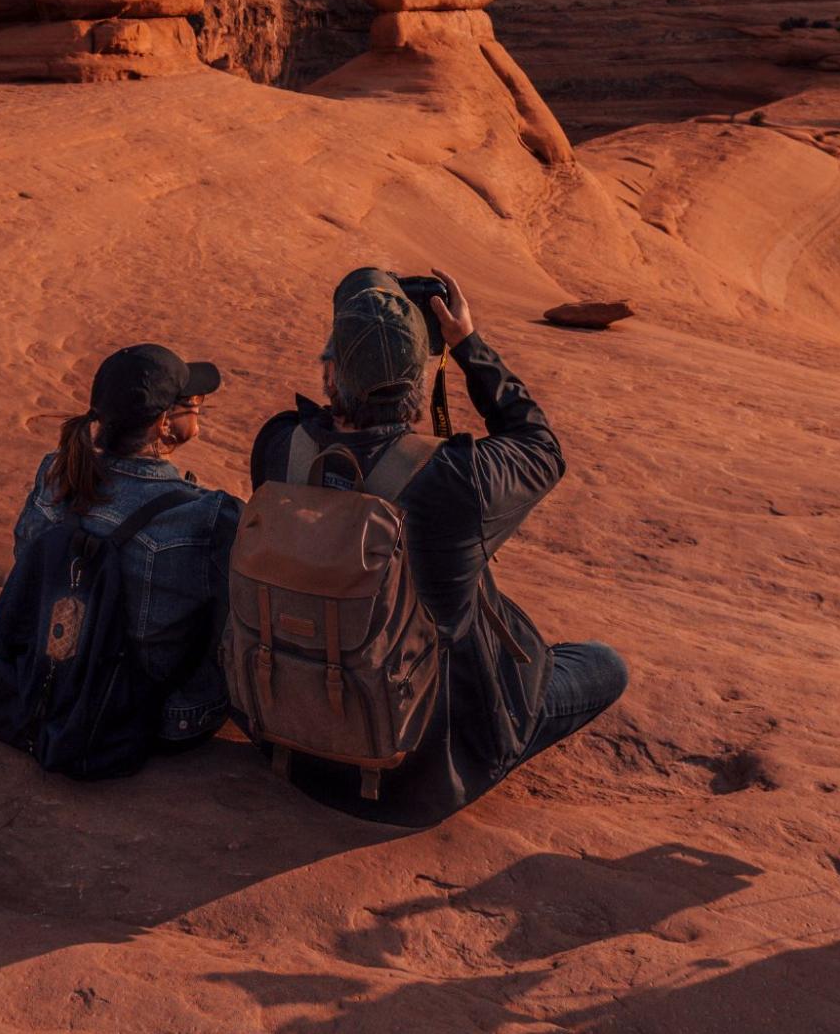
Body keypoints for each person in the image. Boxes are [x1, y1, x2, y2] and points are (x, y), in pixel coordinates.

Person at [248, 266, 627, 825]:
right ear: (418, 382)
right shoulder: (454, 479)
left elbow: (321, 414)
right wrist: (467, 343)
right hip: (424, 773)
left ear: (332, 373)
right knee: (603, 664)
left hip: (295, 745)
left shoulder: (279, 449)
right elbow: (540, 446)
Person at [14, 343, 243, 751]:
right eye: (190, 401)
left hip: (45, 689)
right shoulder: (206, 516)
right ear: (164, 424)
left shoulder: (56, 472)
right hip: (162, 719)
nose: (199, 403)